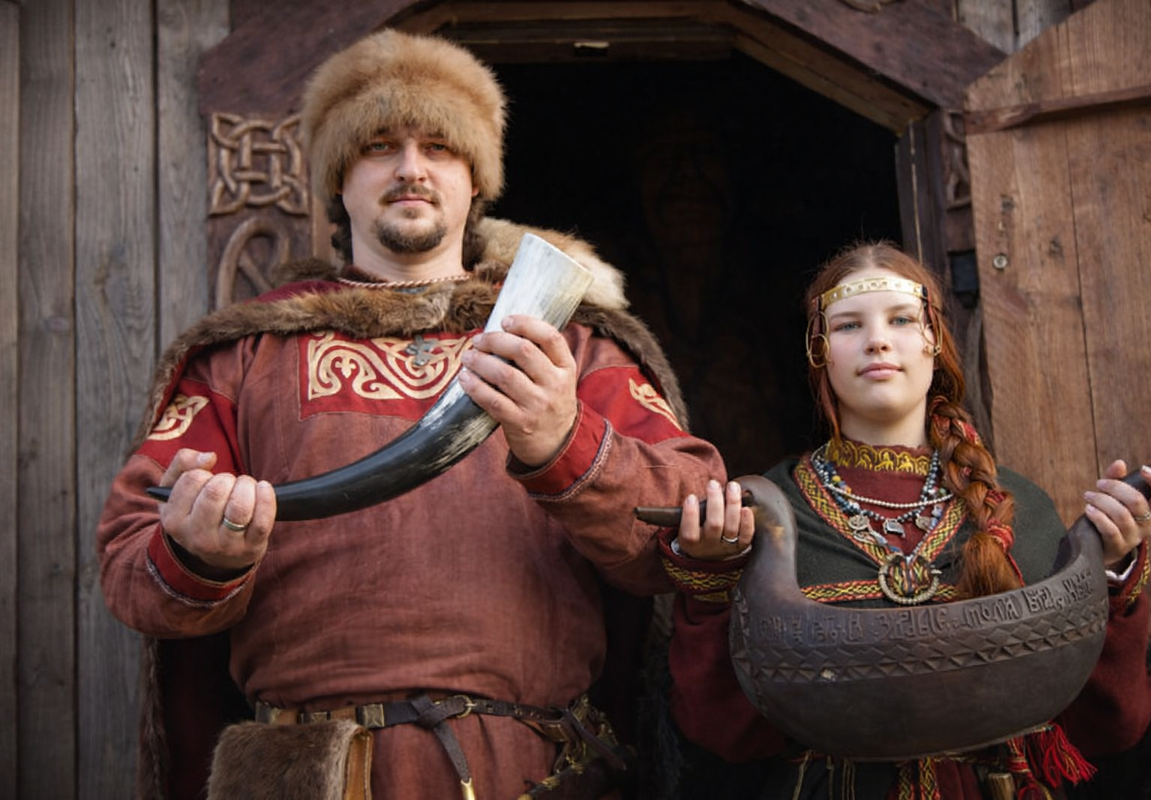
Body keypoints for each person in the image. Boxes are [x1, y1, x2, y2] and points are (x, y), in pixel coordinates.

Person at [96, 29, 726, 800]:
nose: (411, 168)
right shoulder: (245, 355)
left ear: (475, 178)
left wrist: (564, 440)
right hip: (304, 774)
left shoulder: (567, 345)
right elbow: (129, 560)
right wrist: (198, 551)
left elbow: (690, 530)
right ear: (339, 176)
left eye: (440, 146)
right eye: (378, 146)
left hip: (533, 772)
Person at [656, 242, 1151, 799]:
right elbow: (723, 735)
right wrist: (712, 586)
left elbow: (1107, 726)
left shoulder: (1017, 506)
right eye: (849, 325)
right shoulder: (769, 514)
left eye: (902, 319)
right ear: (819, 353)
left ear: (935, 341)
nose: (878, 340)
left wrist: (1109, 569)